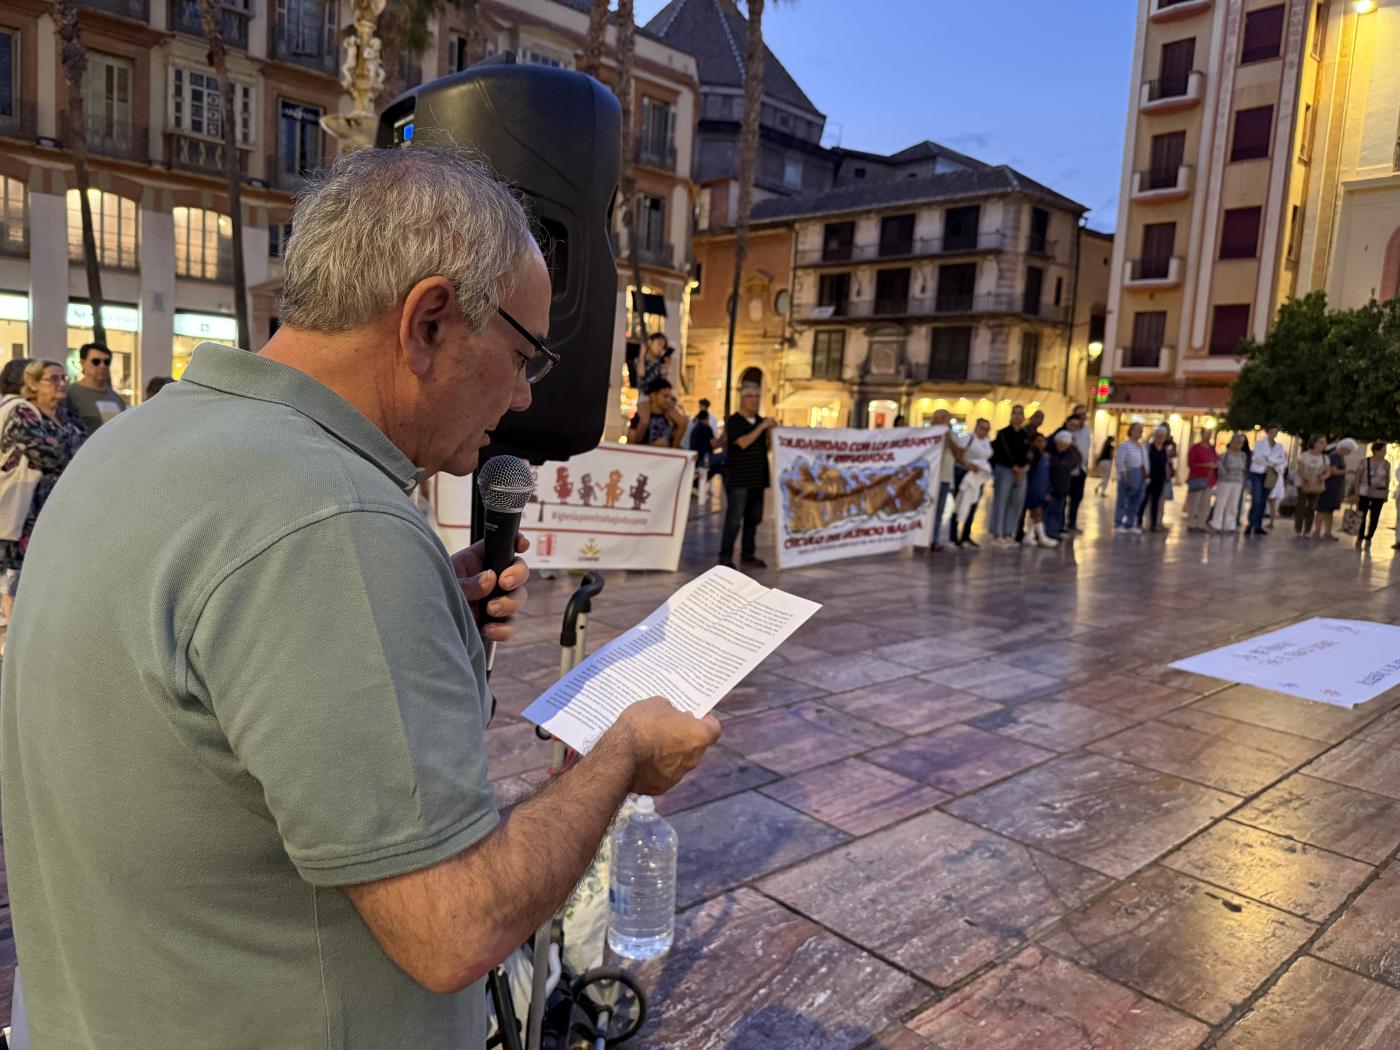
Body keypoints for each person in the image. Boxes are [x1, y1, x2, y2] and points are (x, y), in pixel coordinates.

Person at [0, 147, 721, 1050]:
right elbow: (452, 927)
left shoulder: (134, 442)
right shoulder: (332, 520)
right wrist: (619, 760)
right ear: (429, 320)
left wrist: (407, 613)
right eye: (523, 352)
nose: (525, 391)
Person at [0, 359, 88, 629]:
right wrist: (65, 448)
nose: (61, 384)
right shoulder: (22, 412)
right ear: (33, 383)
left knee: (55, 564)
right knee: (18, 568)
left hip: (63, 502)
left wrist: (62, 448)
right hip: (27, 507)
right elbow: (47, 454)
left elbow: (87, 448)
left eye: (64, 378)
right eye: (53, 379)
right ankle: (14, 629)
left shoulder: (67, 415)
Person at [719, 381, 774, 569]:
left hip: (758, 478)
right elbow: (743, 442)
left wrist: (770, 432)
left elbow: (766, 447)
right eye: (750, 396)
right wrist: (762, 427)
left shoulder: (760, 422)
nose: (754, 400)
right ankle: (725, 556)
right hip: (739, 478)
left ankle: (748, 554)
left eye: (757, 396)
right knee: (734, 519)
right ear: (742, 399)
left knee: (754, 518)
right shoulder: (734, 421)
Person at [0, 358, 32, 623]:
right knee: (14, 568)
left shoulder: (3, 404)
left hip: (7, 489)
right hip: (20, 494)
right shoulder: (22, 409)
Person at [989, 404, 1031, 547]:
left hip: (1021, 473)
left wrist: (1023, 469)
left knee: (1015, 503)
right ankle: (997, 534)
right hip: (1005, 470)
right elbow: (1005, 451)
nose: (1017, 416)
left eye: (1020, 413)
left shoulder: (1026, 434)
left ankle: (1009, 533)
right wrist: (1014, 467)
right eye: (1015, 413)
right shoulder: (1003, 433)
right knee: (1001, 502)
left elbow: (1028, 454)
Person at [64, 342, 127, 434]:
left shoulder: (115, 397)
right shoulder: (71, 393)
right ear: (82, 363)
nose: (102, 366)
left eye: (106, 362)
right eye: (96, 361)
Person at [950, 417, 993, 548]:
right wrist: (968, 465)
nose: (984, 431)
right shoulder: (968, 438)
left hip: (977, 477)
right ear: (976, 428)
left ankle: (966, 535)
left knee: (973, 505)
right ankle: (953, 536)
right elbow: (957, 456)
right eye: (982, 428)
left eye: (987, 429)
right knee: (960, 503)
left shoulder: (986, 442)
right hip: (964, 473)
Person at [927, 408, 966, 552]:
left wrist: (946, 434)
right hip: (928, 477)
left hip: (944, 477)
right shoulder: (926, 434)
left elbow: (957, 453)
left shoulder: (953, 435)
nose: (943, 419)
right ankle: (922, 538)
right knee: (926, 509)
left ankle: (934, 539)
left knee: (939, 511)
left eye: (946, 417)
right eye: (940, 417)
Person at [1247, 424, 1288, 535]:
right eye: (1272, 431)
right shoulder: (1260, 444)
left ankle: (1258, 525)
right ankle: (1250, 524)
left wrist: (1271, 462)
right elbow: (1257, 457)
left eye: (1276, 432)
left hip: (1271, 474)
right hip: (1258, 473)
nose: (1274, 434)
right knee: (1256, 499)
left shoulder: (1279, 446)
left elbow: (1282, 460)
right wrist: (1271, 462)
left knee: (1263, 500)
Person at [627, 376, 687, 448]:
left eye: (670, 397)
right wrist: (653, 445)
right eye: (665, 396)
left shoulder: (673, 418)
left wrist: (682, 425)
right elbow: (630, 445)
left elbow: (675, 446)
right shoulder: (641, 415)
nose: (668, 400)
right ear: (653, 395)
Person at [1314, 438, 1352, 541]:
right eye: (1349, 450)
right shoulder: (1335, 456)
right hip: (1329, 486)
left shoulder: (1340, 456)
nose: (1350, 452)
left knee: (1330, 510)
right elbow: (1333, 471)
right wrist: (1347, 471)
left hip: (1335, 487)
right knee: (1322, 509)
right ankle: (1317, 531)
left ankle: (1327, 532)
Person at [1045, 430, 1080, 543]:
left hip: (1062, 487)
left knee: (1058, 511)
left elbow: (1076, 460)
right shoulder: (1051, 454)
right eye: (1060, 444)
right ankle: (1047, 532)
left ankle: (1054, 531)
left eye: (1065, 445)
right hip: (1051, 488)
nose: (1062, 447)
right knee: (1049, 511)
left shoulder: (1069, 456)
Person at [1355, 441, 1390, 551]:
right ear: (1376, 451)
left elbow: (1387, 479)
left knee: (1375, 517)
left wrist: (1386, 493)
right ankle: (1360, 537)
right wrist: (1356, 493)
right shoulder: (1364, 462)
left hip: (1379, 494)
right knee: (1362, 515)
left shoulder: (1386, 464)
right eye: (1383, 450)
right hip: (1364, 492)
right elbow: (1358, 478)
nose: (1385, 452)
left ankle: (1369, 537)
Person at [1211, 434, 1249, 533]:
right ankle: (1216, 524)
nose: (1238, 445)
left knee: (1233, 504)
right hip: (1225, 481)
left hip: (1238, 481)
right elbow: (1220, 467)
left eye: (1241, 443)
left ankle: (1230, 525)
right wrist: (1224, 475)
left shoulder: (1243, 456)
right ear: (1231, 442)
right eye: (1237, 442)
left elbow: (1243, 468)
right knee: (1221, 502)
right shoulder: (1224, 455)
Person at [1114, 423, 1148, 532]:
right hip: (1128, 474)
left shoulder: (1142, 446)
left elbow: (1145, 462)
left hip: (1140, 475)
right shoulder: (1124, 445)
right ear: (1131, 431)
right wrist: (1125, 475)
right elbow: (1120, 461)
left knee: (1136, 500)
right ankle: (1118, 523)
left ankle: (1130, 523)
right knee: (1123, 500)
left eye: (1141, 431)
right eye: (1138, 430)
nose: (1140, 433)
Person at [1294, 436, 1329, 537]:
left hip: (1317, 484)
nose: (1322, 445)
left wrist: (1318, 479)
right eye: (1320, 442)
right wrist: (1308, 480)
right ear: (1314, 443)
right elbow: (1300, 470)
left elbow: (1327, 472)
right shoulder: (1304, 455)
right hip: (1303, 483)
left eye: (1324, 443)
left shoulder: (1324, 458)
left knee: (1312, 507)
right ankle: (1298, 529)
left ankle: (1307, 529)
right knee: (1301, 505)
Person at [1139, 426, 1172, 532]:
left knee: (1155, 503)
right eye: (1158, 436)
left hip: (1160, 479)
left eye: (1162, 436)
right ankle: (1138, 522)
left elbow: (1166, 463)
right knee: (1143, 500)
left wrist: (1167, 476)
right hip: (1148, 479)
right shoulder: (1148, 447)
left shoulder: (1165, 450)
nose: (1159, 438)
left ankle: (1153, 524)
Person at [1065, 405, 1092, 530]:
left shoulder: (1086, 430)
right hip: (1069, 469)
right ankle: (1060, 523)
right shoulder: (1069, 429)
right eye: (1080, 414)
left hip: (1081, 468)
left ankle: (1072, 522)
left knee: (1077, 497)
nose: (1082, 417)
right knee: (1065, 497)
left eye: (1084, 414)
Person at [1185, 431, 1219, 532]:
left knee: (1205, 503)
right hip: (1197, 478)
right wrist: (1205, 465)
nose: (1207, 436)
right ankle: (1191, 524)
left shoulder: (1212, 449)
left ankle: (1201, 524)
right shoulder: (1195, 448)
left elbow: (1216, 459)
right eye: (1206, 434)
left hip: (1209, 480)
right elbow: (1191, 463)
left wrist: (1214, 465)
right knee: (1194, 502)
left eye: (1209, 434)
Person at [687, 400, 715, 497]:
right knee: (720, 463)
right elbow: (713, 443)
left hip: (696, 457)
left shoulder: (696, 426)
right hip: (703, 458)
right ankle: (696, 485)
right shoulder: (706, 427)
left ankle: (696, 486)